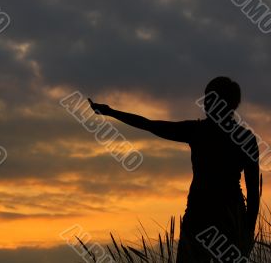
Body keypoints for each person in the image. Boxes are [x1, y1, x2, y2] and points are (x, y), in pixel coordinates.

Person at [88, 77, 260, 262]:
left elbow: (149, 125)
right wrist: (247, 232)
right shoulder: (244, 138)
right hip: (224, 219)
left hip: (203, 218)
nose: (205, 104)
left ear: (225, 104)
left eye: (210, 99)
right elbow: (253, 193)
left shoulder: (197, 131)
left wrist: (111, 112)